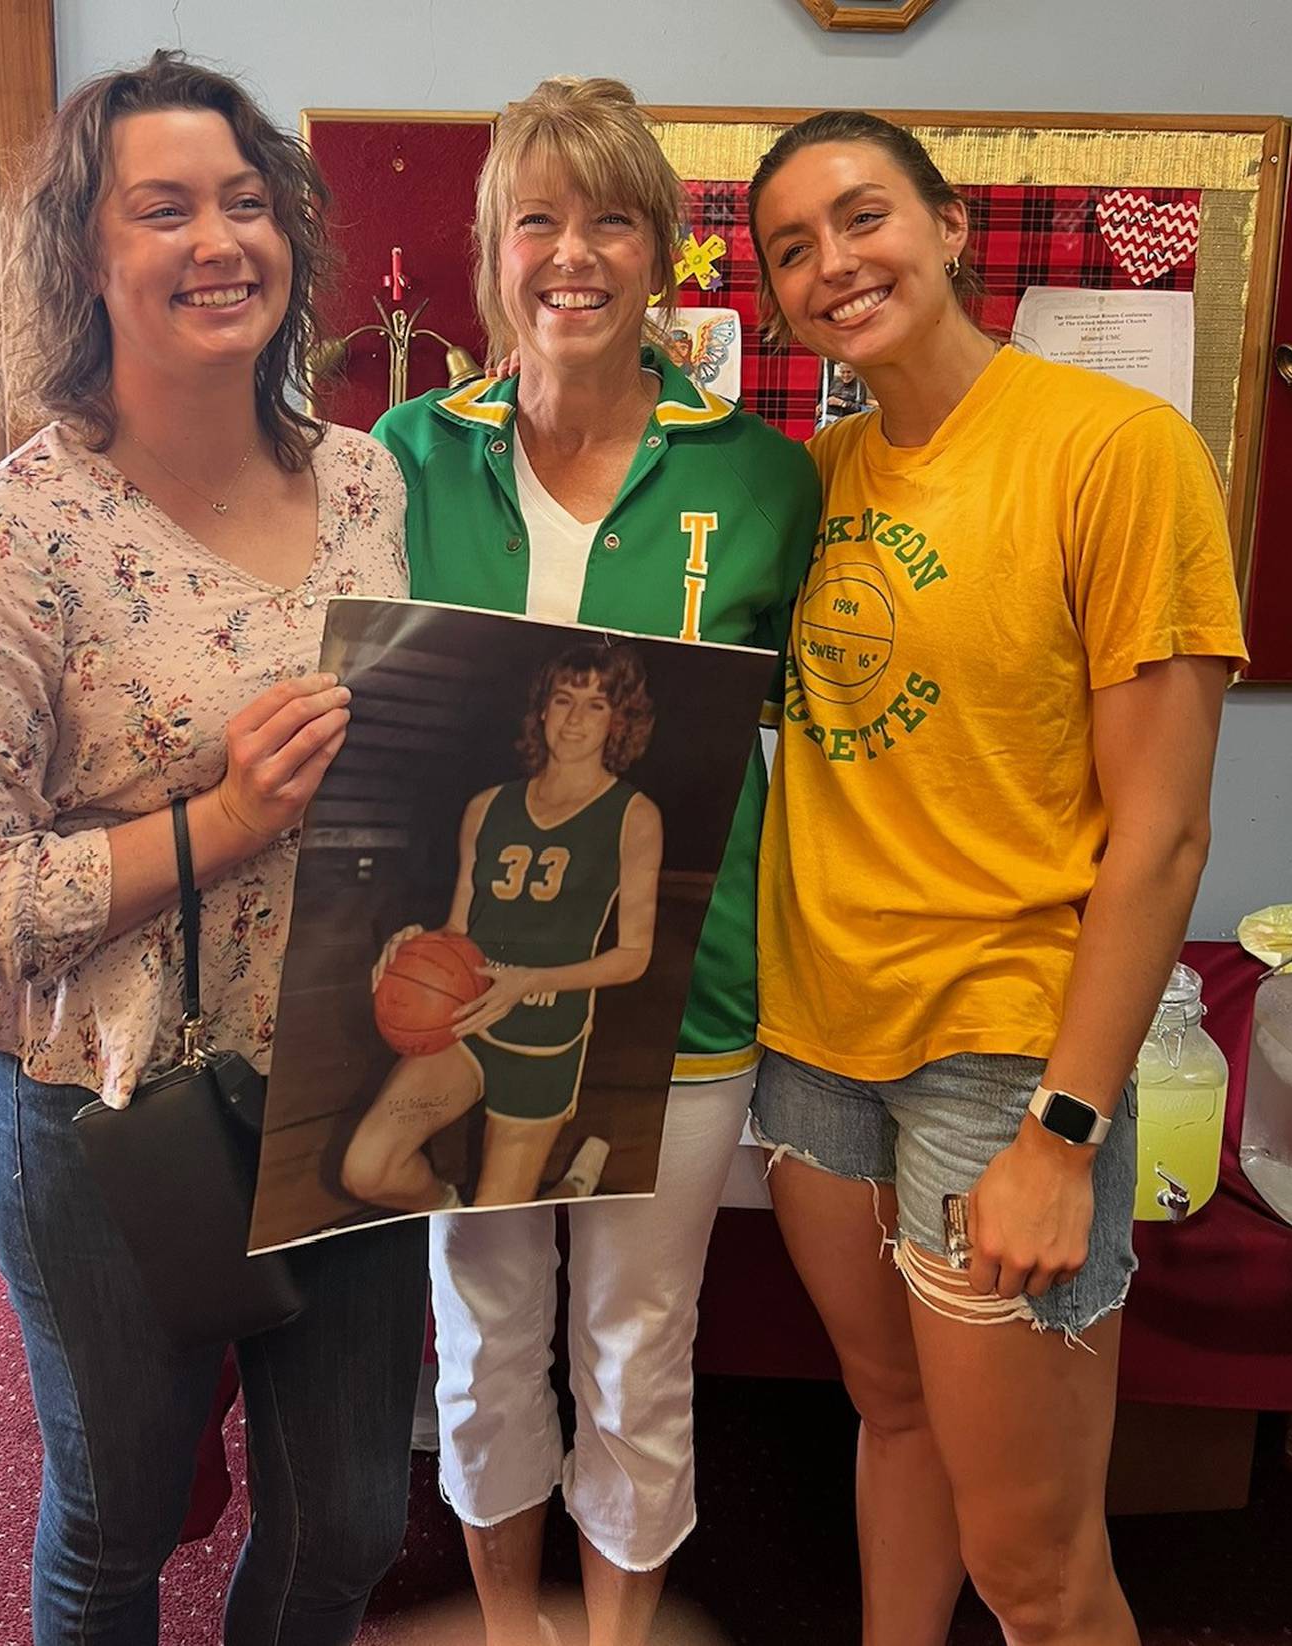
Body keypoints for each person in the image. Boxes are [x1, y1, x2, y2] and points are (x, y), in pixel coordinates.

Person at [0, 51, 427, 1646]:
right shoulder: (14, 539)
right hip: (116, 1110)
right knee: (122, 1517)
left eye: (247, 204)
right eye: (165, 207)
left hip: (345, 1073)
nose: (220, 241)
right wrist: (223, 823)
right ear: (86, 255)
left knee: (348, 1517)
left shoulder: (362, 477)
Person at [746, 112, 1247, 1646]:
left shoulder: (1116, 453)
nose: (834, 263)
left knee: (1036, 1569)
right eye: (791, 247)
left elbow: (1161, 835)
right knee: (892, 1418)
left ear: (952, 226)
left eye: (864, 216)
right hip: (818, 1045)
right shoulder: (811, 479)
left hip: (1004, 1064)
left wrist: (1065, 1129)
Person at [371, 77, 819, 1646]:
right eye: (539, 218)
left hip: (678, 997)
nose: (575, 253)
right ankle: (508, 1625)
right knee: (484, 1330)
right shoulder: (405, 455)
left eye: (611, 217)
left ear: (664, 251)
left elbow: (825, 745)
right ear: (497, 248)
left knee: (640, 1339)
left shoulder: (767, 477)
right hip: (464, 984)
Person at [342, 640, 663, 1209]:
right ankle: (448, 1208)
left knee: (498, 1224)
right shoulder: (487, 806)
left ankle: (567, 1183)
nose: (575, 719)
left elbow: (633, 956)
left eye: (596, 705)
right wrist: (417, 944)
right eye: (564, 700)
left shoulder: (634, 817)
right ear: (542, 709)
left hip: (545, 1040)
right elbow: (459, 928)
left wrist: (528, 980)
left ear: (619, 719)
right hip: (465, 1019)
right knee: (368, 1169)